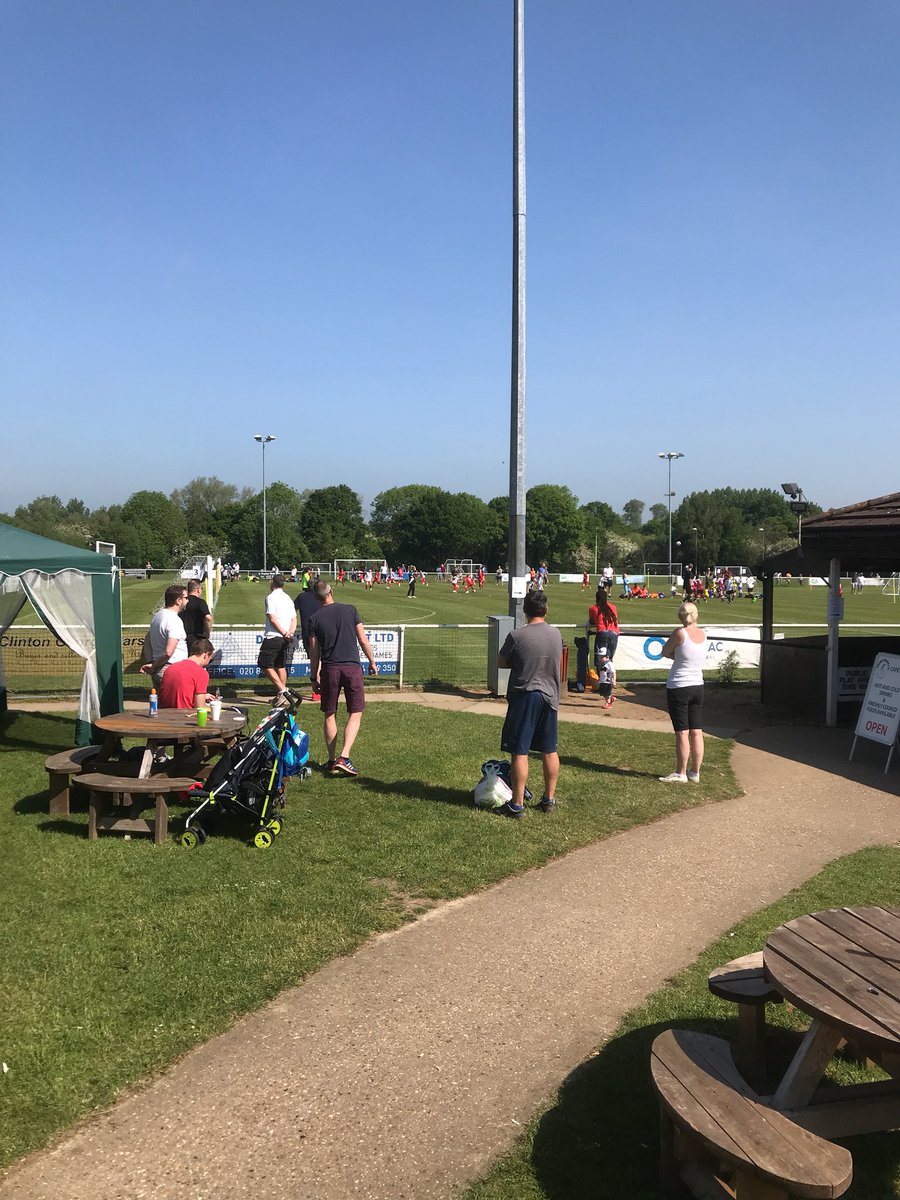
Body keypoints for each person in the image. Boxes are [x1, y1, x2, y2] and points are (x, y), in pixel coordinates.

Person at [496, 590, 562, 818]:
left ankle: (517, 804)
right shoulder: (556, 634)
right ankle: (549, 799)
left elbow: (502, 661)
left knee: (519, 751)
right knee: (549, 749)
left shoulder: (517, 636)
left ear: (525, 611)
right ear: (546, 609)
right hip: (550, 696)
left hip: (525, 694)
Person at [308, 579, 378, 777]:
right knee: (356, 711)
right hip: (352, 668)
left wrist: (314, 677)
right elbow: (363, 639)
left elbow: (314, 653)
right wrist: (372, 661)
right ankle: (344, 757)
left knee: (330, 713)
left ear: (316, 597)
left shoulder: (313, 619)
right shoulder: (350, 610)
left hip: (330, 669)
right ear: (331, 592)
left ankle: (332, 761)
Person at [659, 601, 707, 783]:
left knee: (682, 732)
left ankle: (681, 772)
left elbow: (665, 651)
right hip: (697, 685)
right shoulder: (703, 634)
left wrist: (675, 655)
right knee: (697, 731)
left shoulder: (680, 633)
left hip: (679, 685)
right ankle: (695, 772)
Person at [140, 585, 188, 691]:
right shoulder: (174, 620)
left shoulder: (157, 616)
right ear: (178, 600)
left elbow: (147, 641)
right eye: (186, 598)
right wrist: (153, 666)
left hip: (159, 669)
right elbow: (168, 653)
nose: (187, 601)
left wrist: (152, 662)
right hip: (172, 670)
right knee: (175, 706)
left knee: (161, 705)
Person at [257, 574, 297, 701]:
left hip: (274, 636)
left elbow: (272, 618)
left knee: (264, 664)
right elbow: (294, 618)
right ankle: (281, 695)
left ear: (272, 583)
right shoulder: (288, 598)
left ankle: (282, 691)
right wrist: (290, 632)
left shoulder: (270, 598)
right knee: (280, 665)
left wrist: (285, 632)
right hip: (285, 637)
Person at [159, 639, 216, 709]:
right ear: (206, 655)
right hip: (185, 716)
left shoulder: (171, 668)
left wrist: (203, 696)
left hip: (164, 713)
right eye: (210, 659)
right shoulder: (201, 673)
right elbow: (200, 708)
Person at [588, 585, 620, 665]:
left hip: (602, 634)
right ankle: (609, 677)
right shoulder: (613, 607)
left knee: (600, 660)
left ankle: (601, 677)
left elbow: (592, 621)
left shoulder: (593, 608)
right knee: (609, 660)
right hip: (614, 634)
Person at [180, 578, 212, 651]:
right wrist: (208, 633)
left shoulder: (181, 601)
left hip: (182, 638)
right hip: (197, 638)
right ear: (198, 590)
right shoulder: (200, 602)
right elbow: (208, 618)